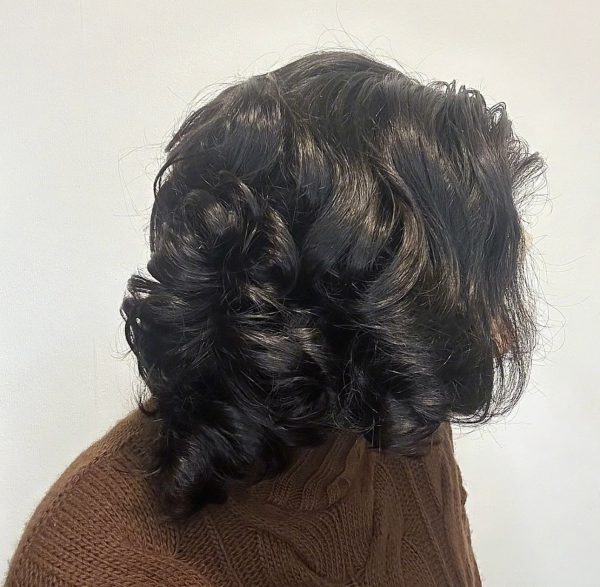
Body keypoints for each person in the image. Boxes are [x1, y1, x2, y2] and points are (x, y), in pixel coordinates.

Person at [4, 49, 544, 586]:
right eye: (473, 274)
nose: (502, 332)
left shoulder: (394, 411)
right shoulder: (88, 566)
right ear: (360, 298)